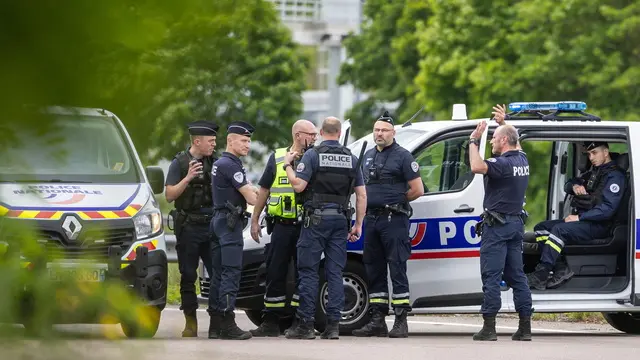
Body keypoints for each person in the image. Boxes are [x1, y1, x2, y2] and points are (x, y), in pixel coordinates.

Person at [282, 116, 367, 340]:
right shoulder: (351, 158)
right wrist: (358, 224)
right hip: (340, 221)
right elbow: (361, 195)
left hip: (316, 220)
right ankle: (333, 327)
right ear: (339, 133)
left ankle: (306, 325)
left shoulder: (312, 155)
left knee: (309, 272)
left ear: (321, 132)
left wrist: (287, 166)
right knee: (335, 273)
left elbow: (299, 186)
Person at [352, 111, 424, 338]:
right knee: (374, 270)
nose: (379, 133)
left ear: (393, 133)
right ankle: (377, 320)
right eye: (376, 130)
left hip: (394, 220)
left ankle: (401, 320)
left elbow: (417, 189)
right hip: (372, 220)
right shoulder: (368, 155)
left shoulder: (403, 157)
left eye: (384, 130)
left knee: (397, 268)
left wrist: (396, 201)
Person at [248, 119, 318, 337]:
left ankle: (300, 321)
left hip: (306, 226)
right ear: (298, 135)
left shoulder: (315, 157)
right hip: (281, 226)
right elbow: (264, 189)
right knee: (274, 271)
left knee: (303, 274)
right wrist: (255, 218)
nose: (315, 139)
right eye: (311, 134)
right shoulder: (278, 157)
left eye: (316, 135)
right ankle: (270, 322)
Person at [526, 141, 626, 290]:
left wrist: (579, 218)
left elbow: (607, 210)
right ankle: (561, 269)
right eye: (589, 154)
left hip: (601, 226)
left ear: (606, 152)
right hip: (587, 223)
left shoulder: (615, 176)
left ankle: (542, 273)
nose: (591, 157)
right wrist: (575, 186)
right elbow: (568, 184)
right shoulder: (595, 171)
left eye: (594, 153)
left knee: (559, 230)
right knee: (541, 227)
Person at [467, 116, 533, 341]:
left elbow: (476, 166)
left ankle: (489, 327)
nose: (491, 142)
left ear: (504, 140)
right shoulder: (522, 160)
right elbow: (516, 143)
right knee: (517, 276)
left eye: (494, 138)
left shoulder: (501, 164)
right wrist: (503, 122)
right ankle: (525, 328)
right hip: (515, 225)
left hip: (497, 226)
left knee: (491, 276)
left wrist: (473, 141)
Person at [164, 120, 219, 337]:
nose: (214, 145)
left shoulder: (216, 161)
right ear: (197, 141)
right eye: (210, 141)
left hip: (211, 225)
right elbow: (169, 195)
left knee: (217, 274)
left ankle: (216, 323)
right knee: (188, 275)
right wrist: (188, 177)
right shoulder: (179, 162)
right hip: (188, 227)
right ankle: (191, 323)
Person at [208, 121, 259, 340]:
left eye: (249, 141)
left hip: (218, 221)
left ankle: (215, 325)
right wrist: (260, 194)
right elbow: (252, 198)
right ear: (231, 140)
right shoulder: (231, 164)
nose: (248, 145)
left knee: (218, 274)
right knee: (231, 272)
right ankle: (227, 324)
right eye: (244, 140)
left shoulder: (221, 162)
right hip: (229, 225)